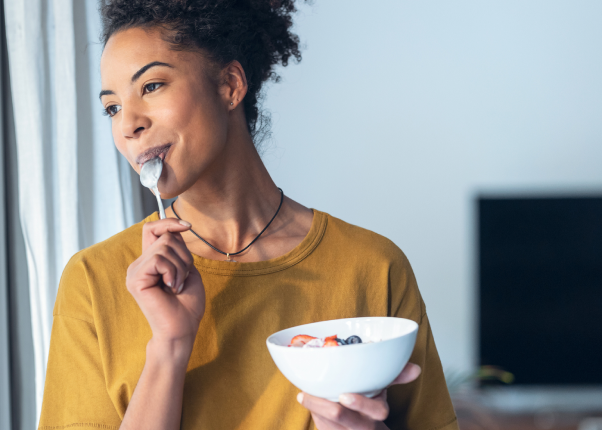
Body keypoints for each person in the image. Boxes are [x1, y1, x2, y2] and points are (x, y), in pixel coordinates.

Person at [39, 1, 459, 429]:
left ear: (229, 85)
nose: (128, 124)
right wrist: (169, 346)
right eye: (112, 108)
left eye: (151, 86)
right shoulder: (93, 281)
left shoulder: (373, 267)